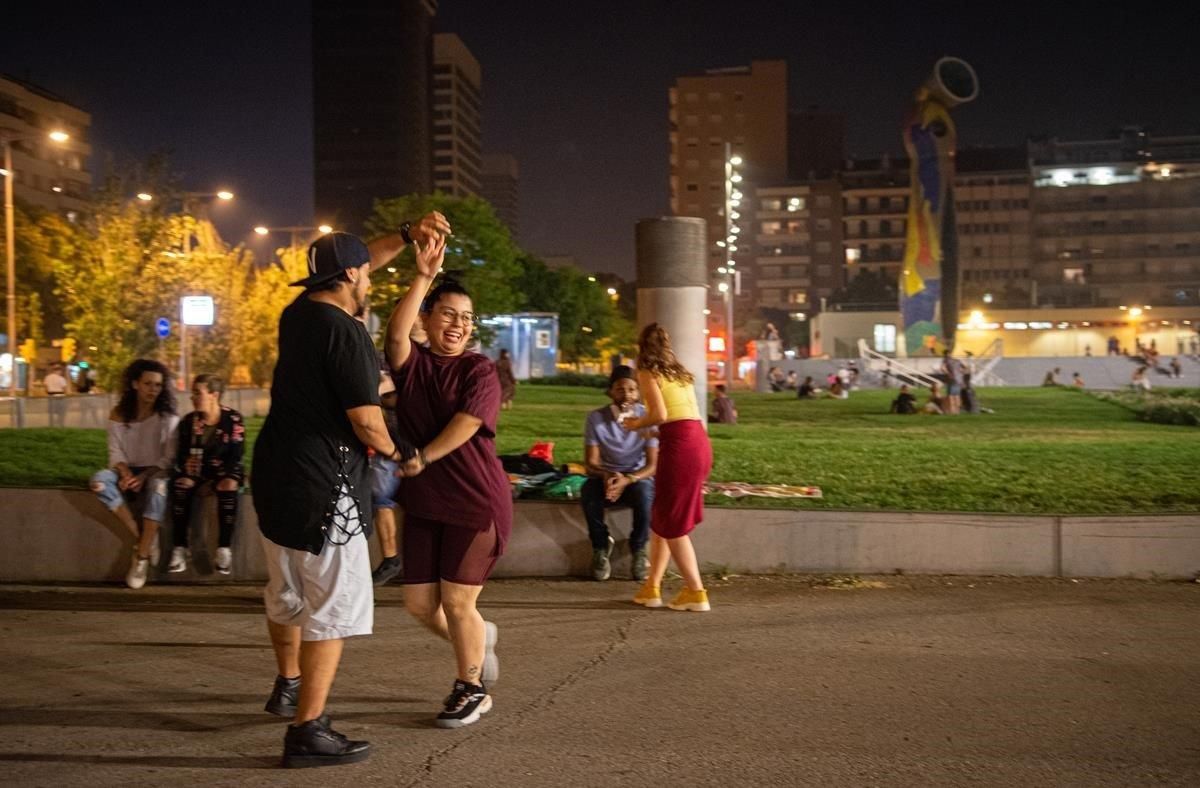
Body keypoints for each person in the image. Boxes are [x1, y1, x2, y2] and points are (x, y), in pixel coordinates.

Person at [253, 217, 445, 768]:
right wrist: (402, 454)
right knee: (333, 606)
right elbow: (365, 421)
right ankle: (307, 729)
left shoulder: (299, 316)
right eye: (367, 276)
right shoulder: (348, 332)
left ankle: (287, 685)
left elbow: (361, 258)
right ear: (353, 277)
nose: (371, 283)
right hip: (325, 482)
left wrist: (407, 237)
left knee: (287, 590)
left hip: (275, 476)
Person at [385, 247, 512, 730]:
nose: (458, 324)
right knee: (419, 604)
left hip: (475, 500)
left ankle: (471, 687)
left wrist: (424, 456)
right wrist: (423, 275)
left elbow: (467, 422)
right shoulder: (412, 365)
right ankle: (479, 637)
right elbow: (395, 334)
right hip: (425, 501)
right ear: (427, 318)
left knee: (458, 602)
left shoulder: (478, 370)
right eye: (448, 314)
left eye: (466, 318)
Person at [622, 323, 714, 613]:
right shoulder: (680, 373)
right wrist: (656, 431)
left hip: (680, 448)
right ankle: (652, 587)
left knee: (673, 525)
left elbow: (659, 414)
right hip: (697, 441)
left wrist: (635, 424)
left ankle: (695, 592)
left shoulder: (648, 372)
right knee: (663, 516)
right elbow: (678, 415)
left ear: (641, 347)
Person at [89, 359, 178, 589]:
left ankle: (140, 558)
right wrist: (125, 472)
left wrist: (144, 476)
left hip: (155, 471)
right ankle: (145, 538)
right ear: (135, 384)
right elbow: (114, 451)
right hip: (126, 470)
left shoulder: (167, 416)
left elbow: (168, 458)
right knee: (99, 482)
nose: (153, 390)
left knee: (159, 487)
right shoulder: (119, 414)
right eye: (148, 384)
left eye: (158, 385)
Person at [582, 365, 658, 582]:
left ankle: (639, 549)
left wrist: (628, 479)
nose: (626, 394)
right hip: (607, 474)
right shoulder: (596, 418)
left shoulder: (647, 417)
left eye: (632, 389)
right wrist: (607, 476)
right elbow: (591, 463)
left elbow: (652, 466)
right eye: (620, 389)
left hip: (636, 476)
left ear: (638, 392)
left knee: (645, 496)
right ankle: (600, 547)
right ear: (610, 391)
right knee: (588, 492)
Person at [167, 374, 245, 576]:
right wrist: (187, 467)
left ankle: (224, 550)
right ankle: (180, 547)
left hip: (225, 471)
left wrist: (211, 483)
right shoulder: (188, 422)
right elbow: (182, 455)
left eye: (197, 393)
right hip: (197, 471)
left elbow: (236, 455)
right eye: (192, 393)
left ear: (214, 395)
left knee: (228, 485)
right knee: (181, 485)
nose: (193, 397)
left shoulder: (233, 419)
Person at [370, 369, 404, 586]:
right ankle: (391, 558)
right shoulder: (384, 359)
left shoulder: (432, 357)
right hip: (392, 444)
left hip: (422, 443)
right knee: (380, 497)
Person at [940, 350, 961, 415]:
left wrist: (948, 373)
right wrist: (960, 373)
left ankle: (952, 411)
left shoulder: (946, 360)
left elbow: (942, 368)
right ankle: (958, 410)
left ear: (945, 354)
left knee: (950, 396)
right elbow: (965, 367)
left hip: (951, 379)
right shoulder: (957, 360)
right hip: (959, 379)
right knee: (957, 395)